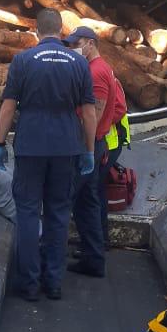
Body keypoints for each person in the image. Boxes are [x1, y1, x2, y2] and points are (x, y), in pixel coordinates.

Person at [0, 9, 96, 302]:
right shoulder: (78, 62)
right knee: (58, 213)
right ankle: (53, 283)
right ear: (61, 30)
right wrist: (88, 150)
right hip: (66, 147)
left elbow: (8, 106)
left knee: (27, 212)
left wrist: (0, 143)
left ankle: (28, 284)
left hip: (31, 145)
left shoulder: (23, 60)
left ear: (37, 31)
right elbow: (89, 113)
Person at [65, 27, 117, 270]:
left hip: (87, 144)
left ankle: (50, 254)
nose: (74, 48)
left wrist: (87, 150)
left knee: (66, 197)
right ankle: (93, 257)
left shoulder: (96, 73)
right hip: (95, 143)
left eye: (78, 43)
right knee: (87, 202)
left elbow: (92, 115)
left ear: (90, 43)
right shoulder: (100, 69)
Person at [101, 76, 130, 247]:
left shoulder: (100, 75)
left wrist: (97, 123)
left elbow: (119, 109)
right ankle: (99, 239)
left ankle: (101, 239)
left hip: (109, 143)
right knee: (94, 191)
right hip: (106, 142)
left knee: (94, 191)